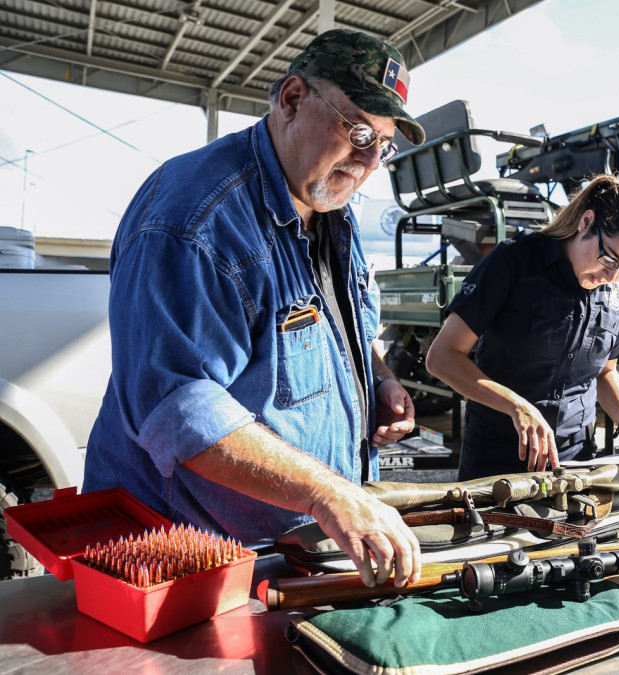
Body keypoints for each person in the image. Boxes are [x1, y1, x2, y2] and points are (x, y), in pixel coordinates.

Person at [83, 29, 426, 589]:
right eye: (358, 129)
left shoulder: (329, 203)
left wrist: (379, 382)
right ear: (292, 100)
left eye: (383, 144)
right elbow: (177, 409)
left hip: (288, 552)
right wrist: (326, 491)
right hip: (184, 560)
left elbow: (349, 330)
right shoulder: (193, 220)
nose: (367, 161)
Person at [426, 175, 619, 480]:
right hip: (497, 457)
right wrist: (516, 406)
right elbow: (442, 357)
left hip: (575, 460)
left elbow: (605, 372)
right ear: (586, 222)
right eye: (610, 259)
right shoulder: (514, 261)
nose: (611, 277)